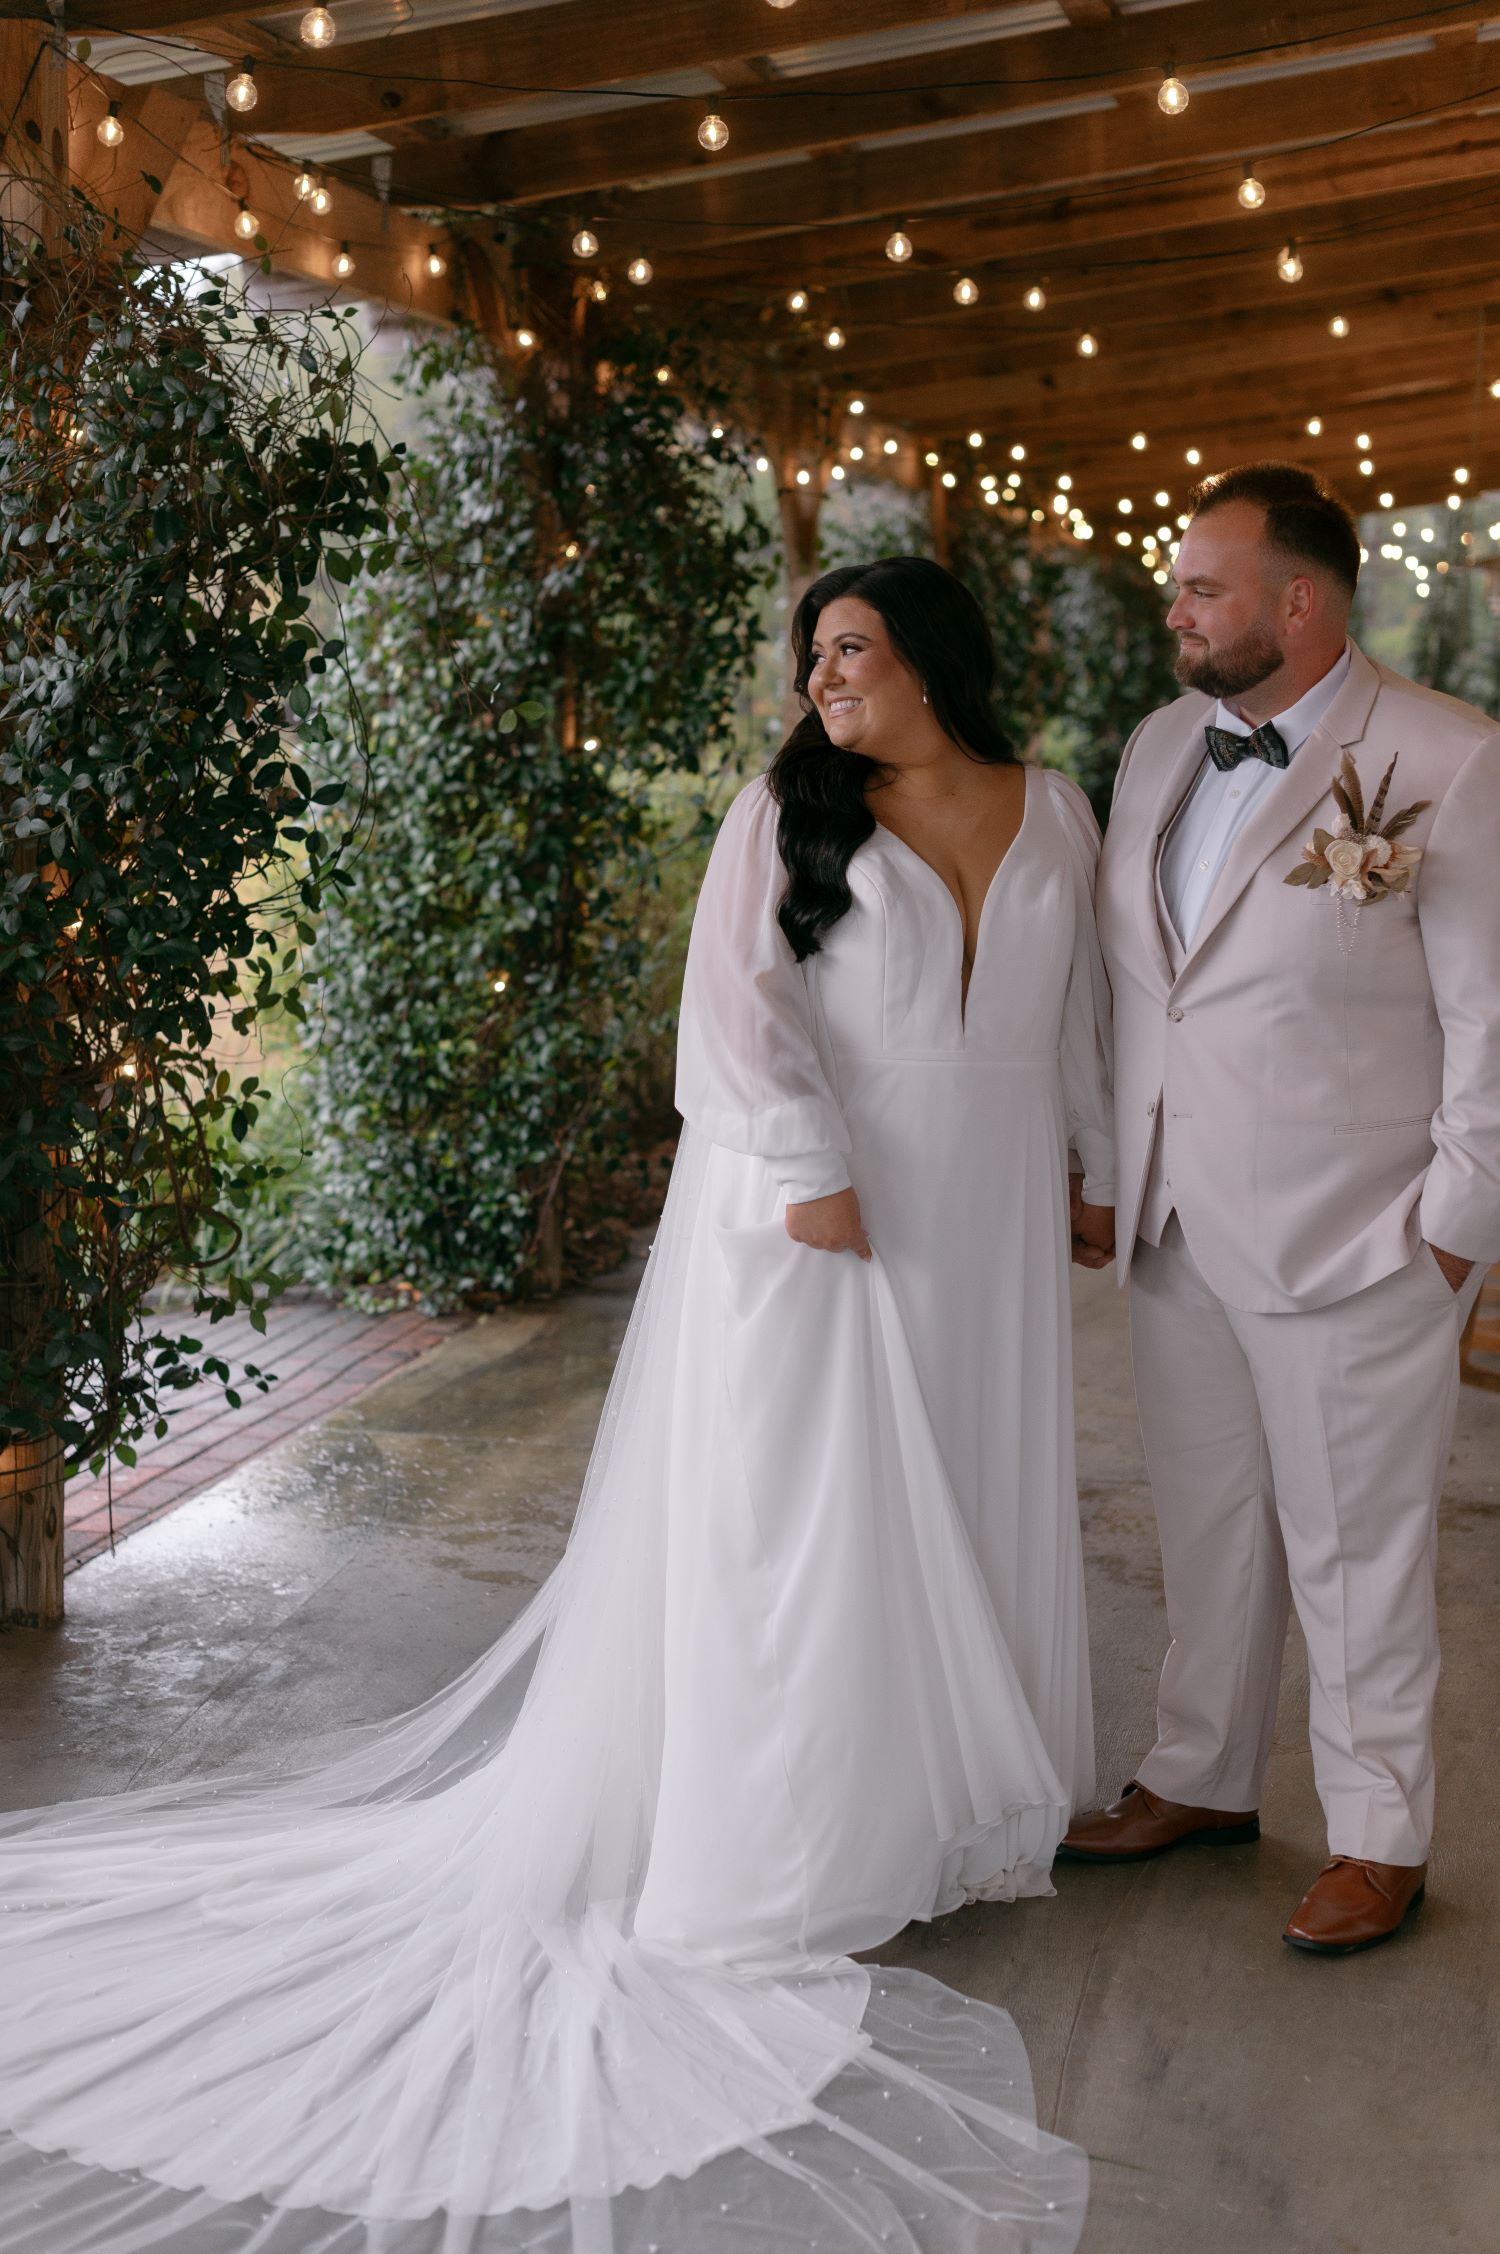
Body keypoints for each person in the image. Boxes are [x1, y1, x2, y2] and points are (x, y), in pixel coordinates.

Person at [0, 555, 1111, 2254]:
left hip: (994, 1215)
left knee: (972, 1486)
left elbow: (1084, 1010)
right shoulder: (784, 812)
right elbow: (732, 1013)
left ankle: (949, 1813)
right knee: (806, 1531)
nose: (824, 679)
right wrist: (811, 1170)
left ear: (936, 657)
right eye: (812, 653)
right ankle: (801, 1843)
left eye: (855, 649)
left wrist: (1094, 1160)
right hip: (817, 1215)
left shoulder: (1058, 812)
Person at [1064, 463, 1500, 1955]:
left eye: (1201, 587)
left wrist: (1453, 1229)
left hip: (1357, 1236)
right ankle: (1200, 1773)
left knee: (1356, 1547)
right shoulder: (1158, 746)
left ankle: (1381, 1835)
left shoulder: (1448, 756)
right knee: (1210, 1521)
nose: (1173, 609)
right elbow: (1147, 987)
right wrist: (1117, 1180)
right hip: (1181, 1223)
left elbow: (1492, 1017)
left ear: (1298, 601)